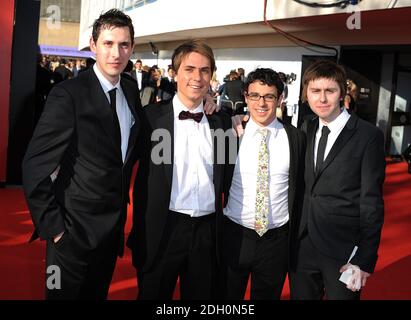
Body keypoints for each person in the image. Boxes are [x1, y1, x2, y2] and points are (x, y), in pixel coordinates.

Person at [22, 9, 141, 300]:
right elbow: (35, 167)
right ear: (93, 45)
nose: (116, 53)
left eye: (123, 45)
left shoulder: (129, 88)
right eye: (108, 43)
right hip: (71, 235)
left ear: (132, 48)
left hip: (111, 233)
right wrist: (56, 230)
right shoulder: (68, 95)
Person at [127, 39, 231, 300]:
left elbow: (227, 175)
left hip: (207, 234)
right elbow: (123, 167)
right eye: (189, 69)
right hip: (163, 230)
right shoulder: (150, 118)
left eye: (205, 70)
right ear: (174, 73)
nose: (197, 77)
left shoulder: (221, 122)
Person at [289, 60, 385, 300]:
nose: (322, 99)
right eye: (315, 91)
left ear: (342, 93)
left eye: (329, 91)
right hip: (302, 245)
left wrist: (364, 258)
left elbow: (371, 202)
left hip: (343, 250)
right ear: (306, 94)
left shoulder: (368, 136)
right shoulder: (306, 127)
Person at [219, 68, 306, 300]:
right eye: (255, 95)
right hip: (235, 235)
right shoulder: (230, 132)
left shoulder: (296, 137)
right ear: (246, 97)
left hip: (276, 240)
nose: (261, 103)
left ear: (280, 99)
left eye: (269, 96)